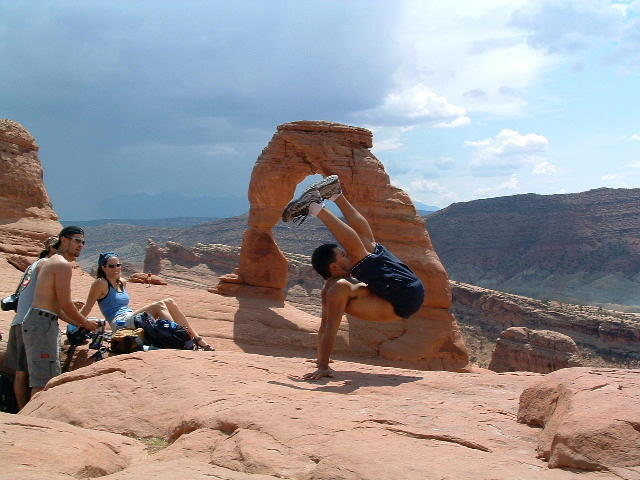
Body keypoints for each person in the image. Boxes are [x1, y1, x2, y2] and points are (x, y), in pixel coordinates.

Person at [282, 176, 425, 380]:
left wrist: (322, 363)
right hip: (405, 294)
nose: (347, 254)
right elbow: (329, 326)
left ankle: (328, 199)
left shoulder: (339, 286)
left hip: (404, 292)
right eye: (342, 255)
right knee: (364, 246)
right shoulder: (339, 287)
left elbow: (326, 326)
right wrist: (322, 363)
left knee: (365, 244)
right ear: (334, 267)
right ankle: (327, 200)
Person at [22, 226, 101, 395]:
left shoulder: (53, 261)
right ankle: (36, 420)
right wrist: (85, 322)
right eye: (76, 240)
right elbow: (65, 303)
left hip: (42, 321)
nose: (80, 245)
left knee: (45, 375)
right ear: (64, 239)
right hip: (42, 324)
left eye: (83, 242)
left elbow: (56, 307)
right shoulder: (62, 265)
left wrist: (77, 323)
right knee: (43, 381)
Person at [80, 252, 214, 350]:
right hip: (119, 323)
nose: (116, 268)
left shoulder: (122, 282)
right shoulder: (100, 283)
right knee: (160, 305)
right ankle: (180, 338)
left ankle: (198, 339)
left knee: (170, 301)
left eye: (118, 265)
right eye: (111, 266)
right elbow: (87, 308)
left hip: (131, 317)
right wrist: (76, 323)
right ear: (103, 267)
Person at [3, 237, 57, 408]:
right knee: (39, 376)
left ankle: (21, 410)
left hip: (18, 322)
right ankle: (33, 414)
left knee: (21, 373)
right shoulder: (48, 265)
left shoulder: (31, 266)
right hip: (33, 324)